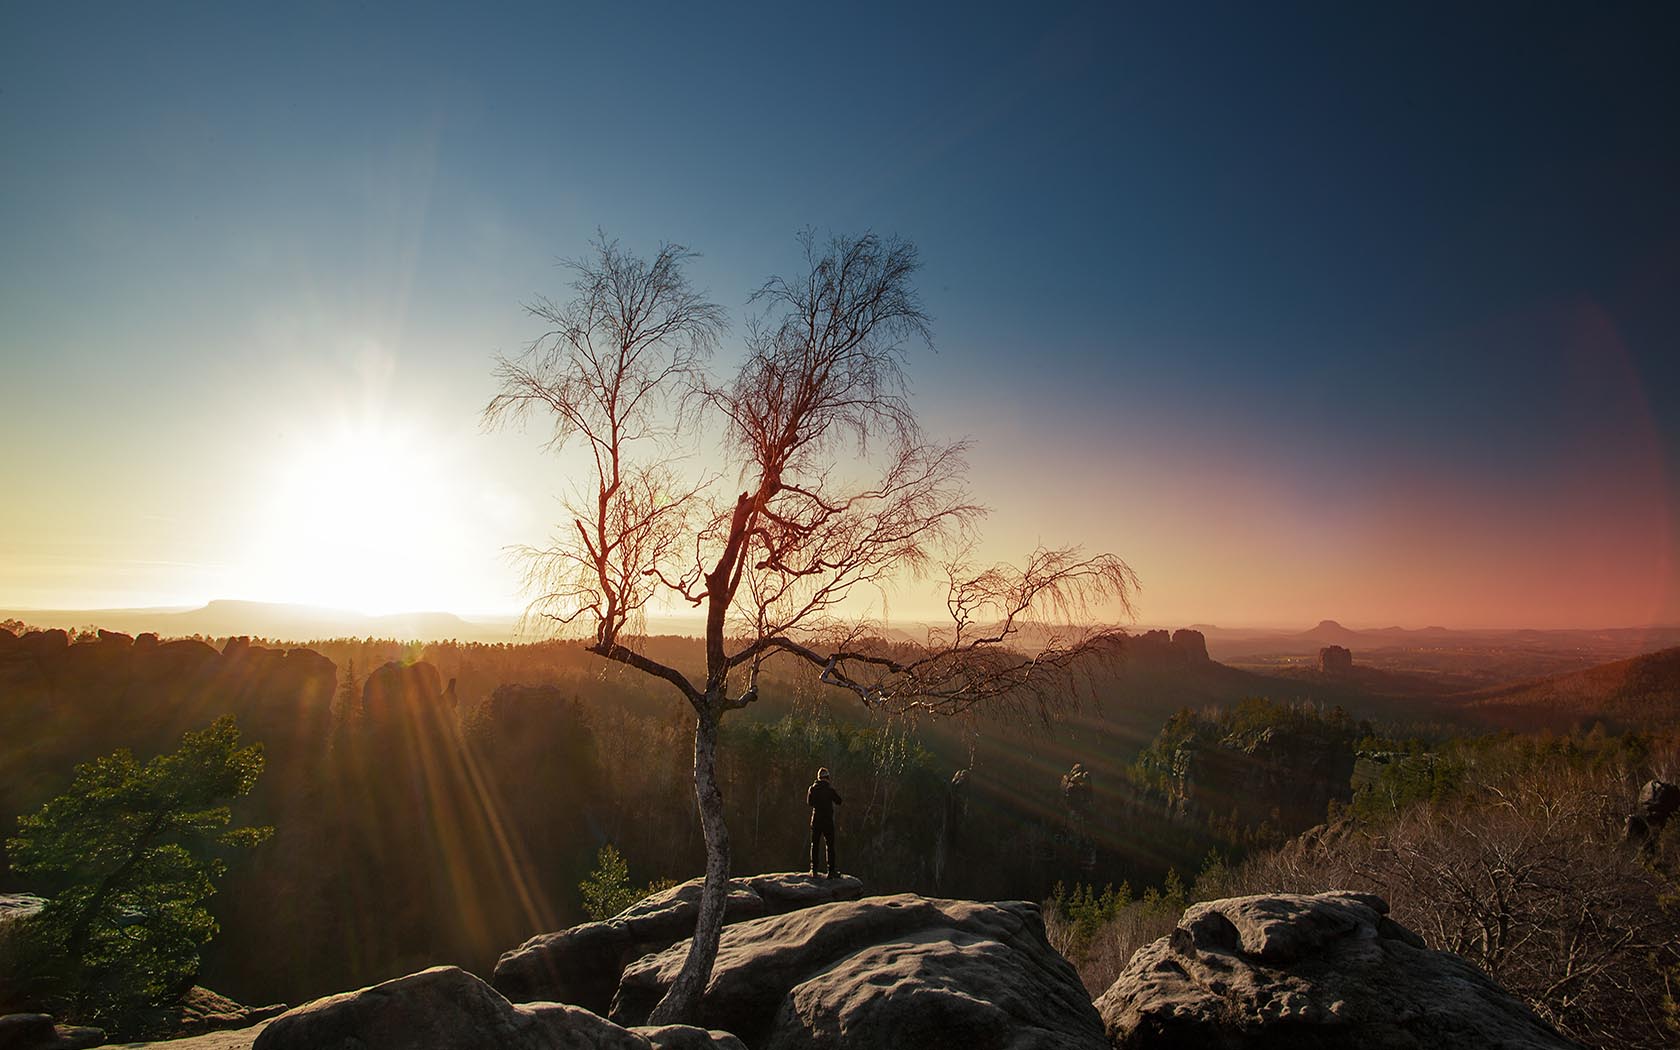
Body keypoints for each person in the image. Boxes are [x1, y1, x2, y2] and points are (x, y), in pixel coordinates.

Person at [806, 767, 842, 877]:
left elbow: (809, 802)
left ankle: (814, 870)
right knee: (830, 846)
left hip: (816, 820)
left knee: (815, 845)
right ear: (827, 778)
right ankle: (831, 871)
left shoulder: (812, 788)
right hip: (827, 821)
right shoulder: (829, 790)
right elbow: (839, 801)